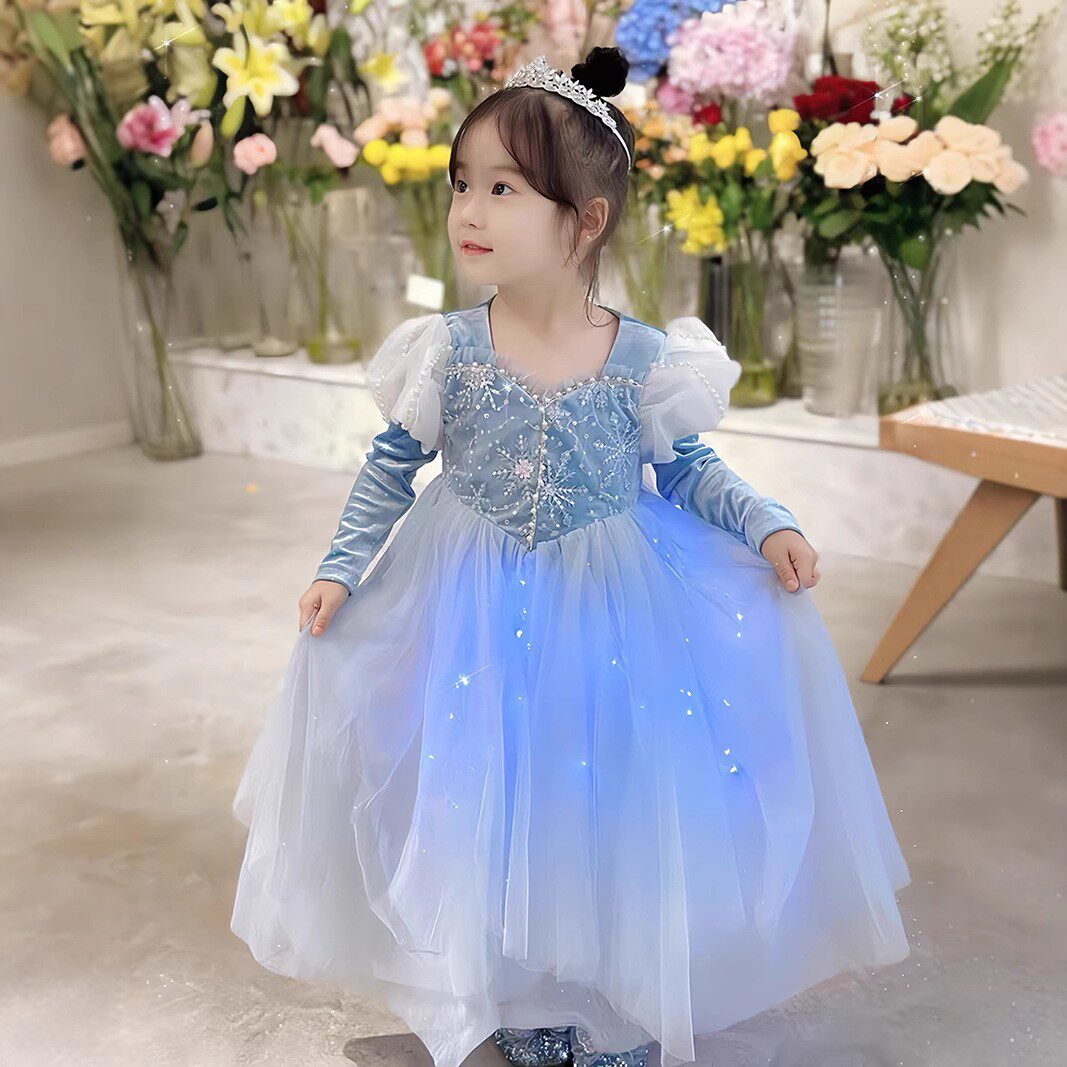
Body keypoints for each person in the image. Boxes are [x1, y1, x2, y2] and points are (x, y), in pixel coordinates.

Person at [230, 47, 911, 1067]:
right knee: (488, 792)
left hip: (608, 609)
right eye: (462, 183)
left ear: (583, 220)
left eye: (503, 188)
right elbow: (391, 467)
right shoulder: (447, 348)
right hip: (467, 601)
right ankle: (507, 992)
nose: (469, 209)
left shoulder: (640, 356)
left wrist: (764, 522)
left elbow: (686, 467)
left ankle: (603, 995)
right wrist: (340, 567)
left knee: (592, 794)